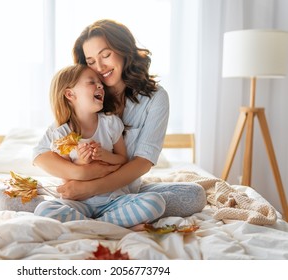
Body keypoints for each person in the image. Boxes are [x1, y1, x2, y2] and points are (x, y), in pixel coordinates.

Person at [33, 19, 206, 226]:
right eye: (90, 61)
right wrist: (82, 174)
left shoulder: (155, 98)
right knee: (5, 195)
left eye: (106, 55)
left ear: (124, 51)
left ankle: (92, 221)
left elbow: (142, 162)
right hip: (76, 192)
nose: (100, 67)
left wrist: (93, 187)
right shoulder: (85, 99)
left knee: (194, 195)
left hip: (122, 193)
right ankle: (103, 218)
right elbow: (40, 155)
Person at [33, 64, 166, 227]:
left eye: (100, 83)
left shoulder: (110, 123)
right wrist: (82, 162)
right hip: (80, 203)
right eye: (91, 82)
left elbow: (123, 159)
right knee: (44, 209)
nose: (100, 85)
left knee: (155, 202)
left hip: (113, 199)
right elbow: (67, 180)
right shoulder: (62, 134)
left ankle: (93, 225)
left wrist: (105, 155)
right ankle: (107, 224)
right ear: (70, 94)